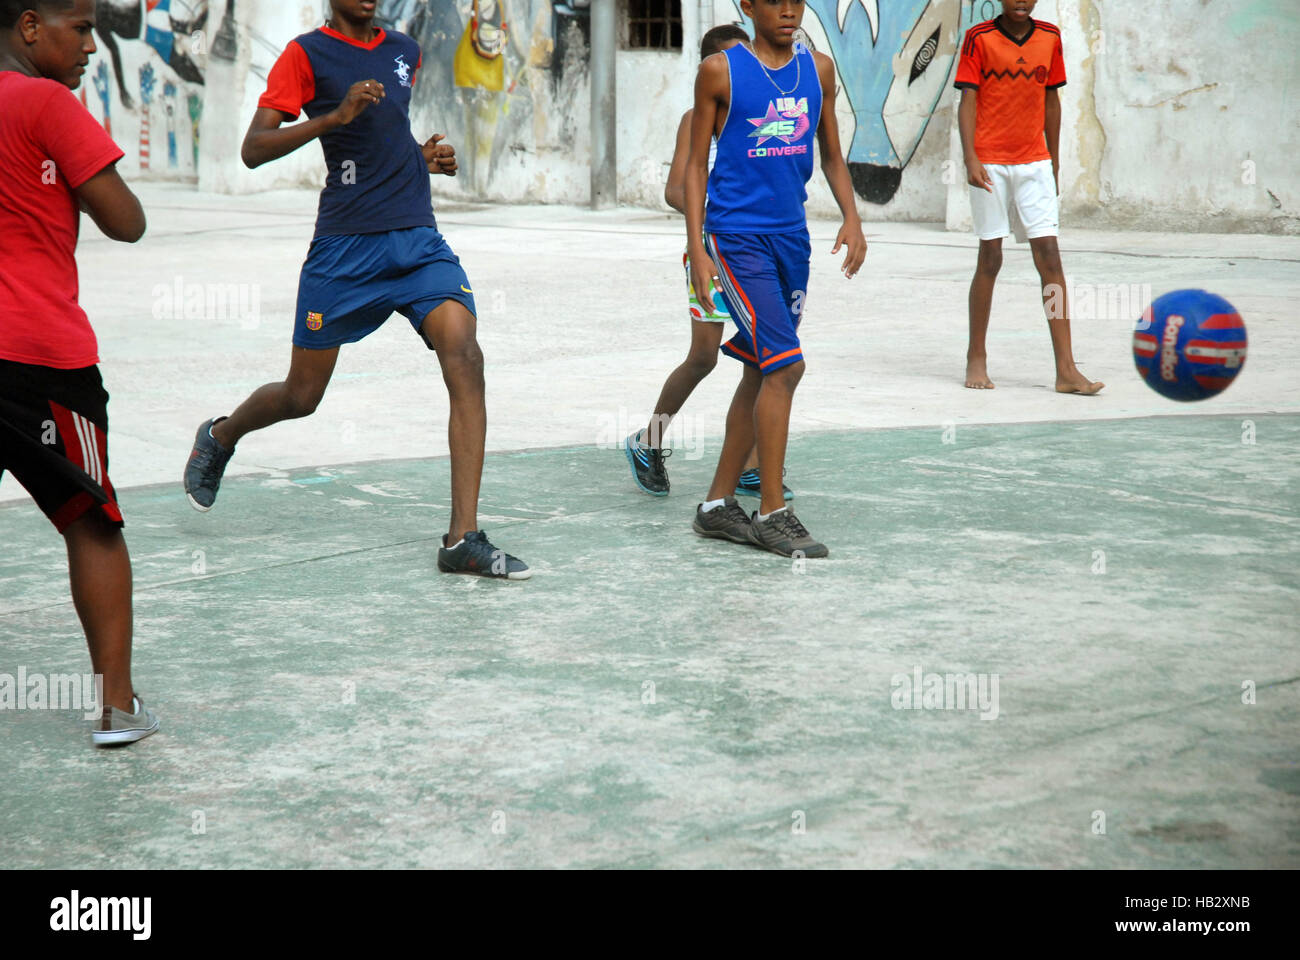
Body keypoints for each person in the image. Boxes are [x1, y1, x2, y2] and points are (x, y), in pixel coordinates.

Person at [183, 0, 530, 580]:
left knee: (465, 355)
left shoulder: (403, 51)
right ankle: (221, 435)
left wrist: (419, 160)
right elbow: (252, 149)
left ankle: (461, 538)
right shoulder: (305, 55)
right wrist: (332, 118)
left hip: (417, 240)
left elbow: (384, 134)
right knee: (302, 395)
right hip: (345, 249)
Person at [0, 0, 158, 744]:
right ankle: (117, 708)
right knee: (91, 522)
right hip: (41, 357)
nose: (95, 44)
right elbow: (126, 220)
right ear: (31, 27)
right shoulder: (46, 102)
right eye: (83, 27)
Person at [685, 0, 866, 558]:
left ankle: (717, 505)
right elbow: (695, 166)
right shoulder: (722, 69)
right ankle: (771, 511)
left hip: (792, 239)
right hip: (735, 239)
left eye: (797, 0)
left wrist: (852, 215)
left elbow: (831, 153)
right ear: (746, 5)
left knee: (760, 371)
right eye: (773, 0)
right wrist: (698, 249)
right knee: (787, 365)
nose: (789, 10)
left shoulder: (820, 70)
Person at [625, 22, 792, 504]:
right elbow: (676, 189)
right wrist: (724, 209)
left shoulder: (764, 114)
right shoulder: (694, 119)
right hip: (714, 251)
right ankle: (649, 439)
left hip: (761, 247)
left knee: (765, 356)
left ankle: (750, 464)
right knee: (703, 356)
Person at [956, 0, 1102, 395]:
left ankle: (1066, 369)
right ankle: (977, 356)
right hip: (990, 161)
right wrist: (970, 156)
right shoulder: (978, 38)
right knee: (990, 257)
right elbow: (967, 99)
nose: (1021, 1)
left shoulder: (1050, 38)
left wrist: (1052, 160)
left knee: (1050, 257)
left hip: (1034, 162)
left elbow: (1051, 100)